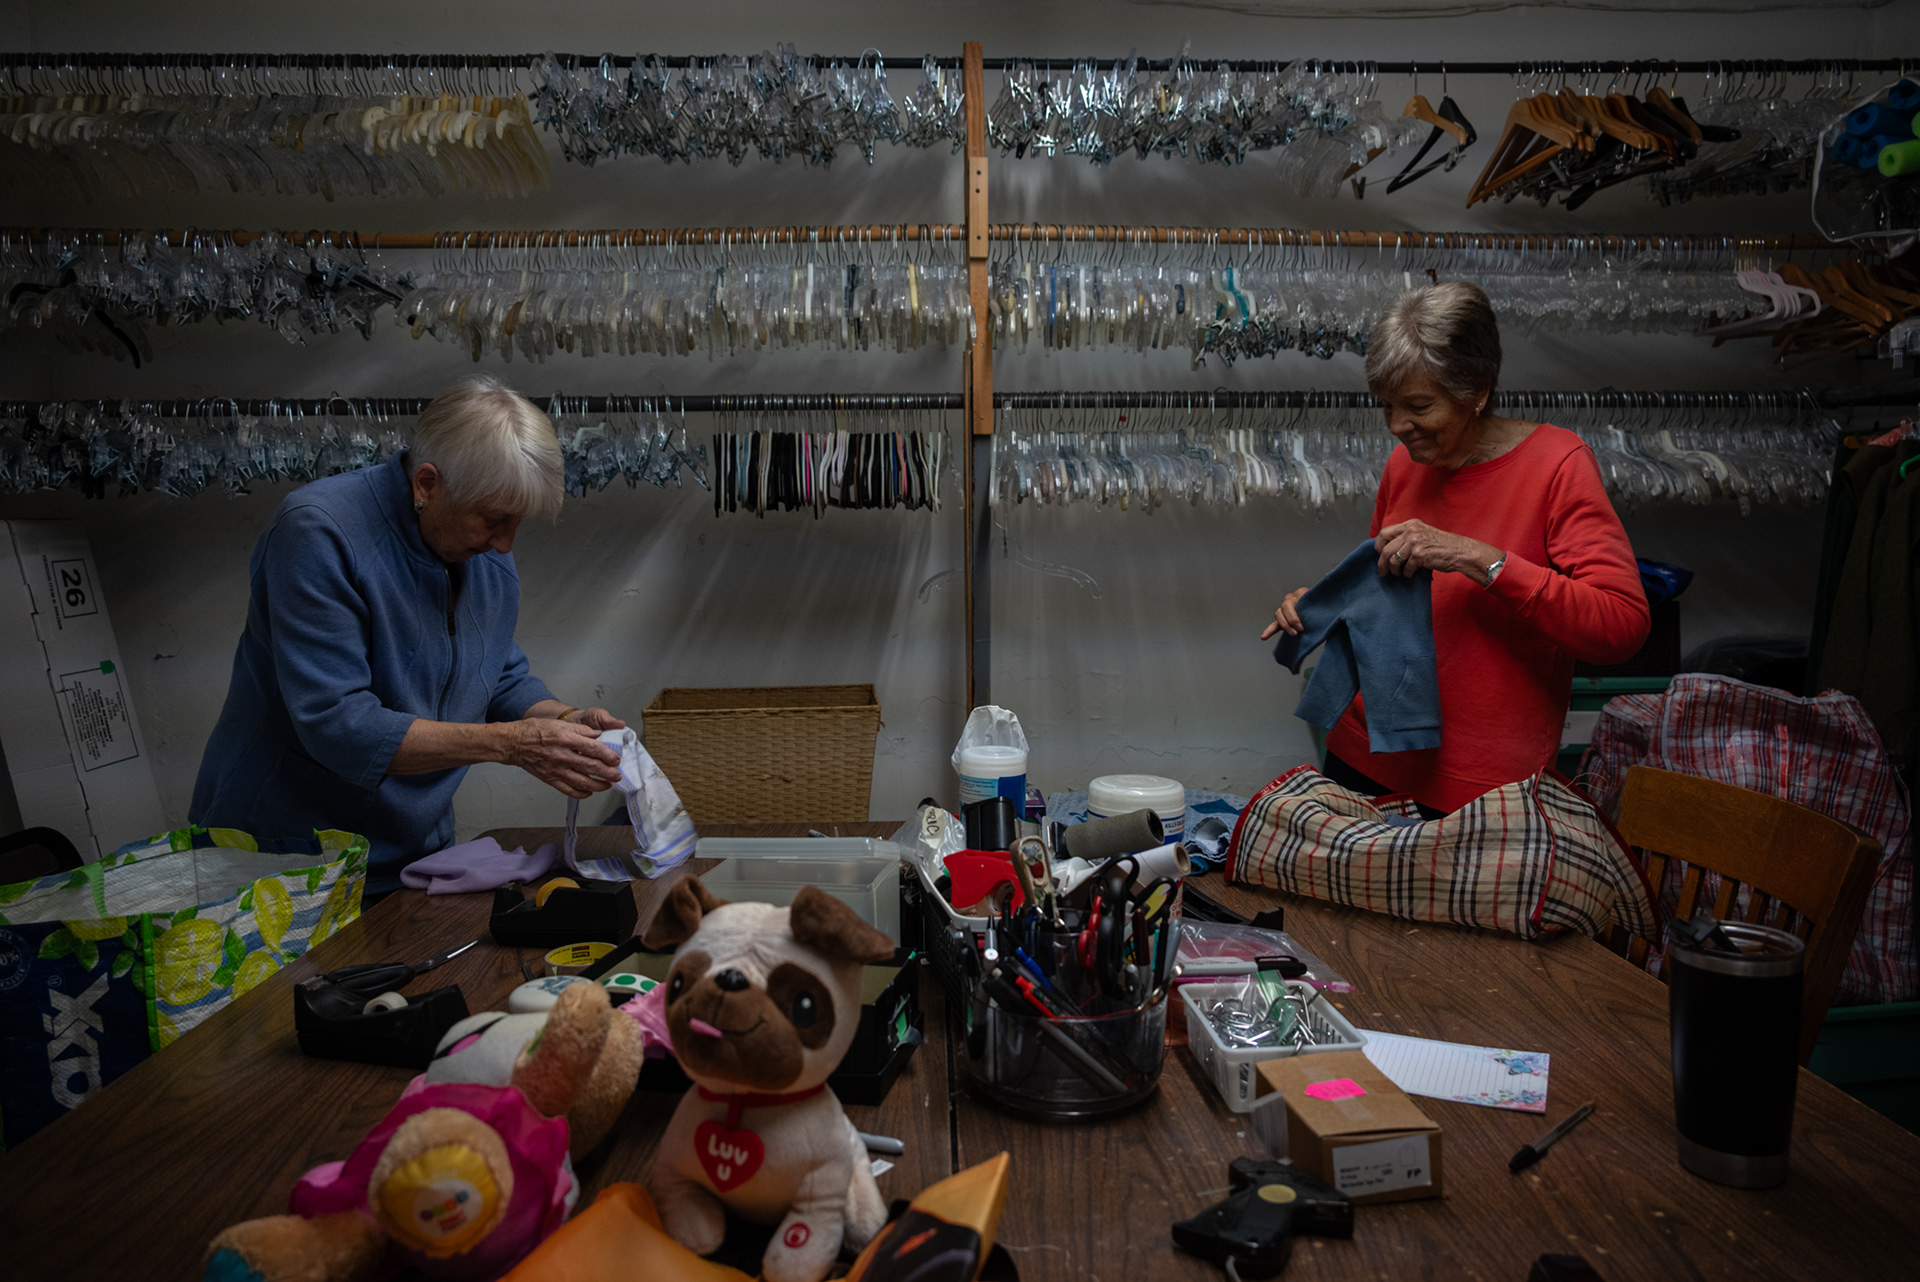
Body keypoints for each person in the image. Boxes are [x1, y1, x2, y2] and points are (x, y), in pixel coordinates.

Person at [192, 376, 625, 895]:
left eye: (518, 523)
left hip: (413, 854)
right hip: (286, 860)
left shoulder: (480, 554)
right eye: (494, 519)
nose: (506, 545)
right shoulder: (319, 532)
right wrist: (512, 744)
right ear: (426, 484)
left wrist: (565, 721)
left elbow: (498, 673)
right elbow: (337, 722)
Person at [1262, 282, 1650, 815]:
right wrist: (1322, 607)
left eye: (1418, 406)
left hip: (1483, 785)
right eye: (1386, 405)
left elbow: (1622, 625)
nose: (1397, 426)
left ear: (1478, 391)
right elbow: (1387, 598)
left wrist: (1476, 558)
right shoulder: (1405, 466)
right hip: (1366, 754)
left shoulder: (1558, 464)